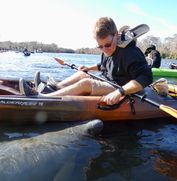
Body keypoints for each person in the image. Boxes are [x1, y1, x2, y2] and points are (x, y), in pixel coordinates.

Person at [19, 17, 153, 105]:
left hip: (122, 88)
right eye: (100, 46)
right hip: (108, 81)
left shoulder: (131, 52)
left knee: (87, 83)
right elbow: (103, 65)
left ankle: (43, 99)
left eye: (107, 45)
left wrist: (120, 92)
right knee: (83, 74)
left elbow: (146, 78)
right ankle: (54, 88)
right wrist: (88, 68)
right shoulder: (106, 49)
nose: (104, 50)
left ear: (116, 36)